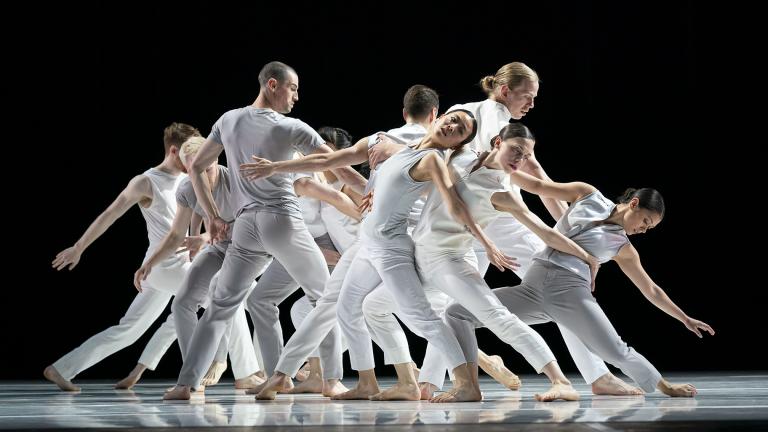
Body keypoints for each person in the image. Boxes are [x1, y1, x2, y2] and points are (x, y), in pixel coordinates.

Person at [368, 62, 636, 395]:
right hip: (485, 224)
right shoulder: (487, 116)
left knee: (468, 306)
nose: (532, 104)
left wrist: (567, 231)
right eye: (528, 96)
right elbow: (436, 150)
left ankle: (432, 381)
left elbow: (532, 175)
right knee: (555, 289)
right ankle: (594, 375)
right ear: (506, 91)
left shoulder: (476, 119)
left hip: (479, 224)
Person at [163, 61, 365, 400]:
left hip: (245, 226)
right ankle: (330, 379)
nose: (296, 97)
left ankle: (187, 384)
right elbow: (339, 166)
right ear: (272, 85)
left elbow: (196, 167)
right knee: (323, 296)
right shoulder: (292, 128)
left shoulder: (228, 120)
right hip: (281, 220)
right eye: (293, 88)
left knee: (220, 306)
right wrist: (372, 192)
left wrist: (212, 216)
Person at [369, 123, 598, 402]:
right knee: (373, 306)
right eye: (516, 150)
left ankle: (559, 380)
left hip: (449, 260)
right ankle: (440, 383)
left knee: (496, 316)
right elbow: (425, 149)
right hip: (419, 256)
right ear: (498, 142)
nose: (519, 159)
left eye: (526, 156)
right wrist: (385, 147)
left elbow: (545, 231)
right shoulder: (461, 156)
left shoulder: (503, 192)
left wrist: (586, 256)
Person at [445, 163, 715, 398]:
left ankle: (663, 384)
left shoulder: (623, 247)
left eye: (649, 228)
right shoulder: (588, 194)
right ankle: (468, 385)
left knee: (615, 350)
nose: (643, 230)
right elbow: (538, 185)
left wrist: (684, 318)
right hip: (532, 287)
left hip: (570, 293)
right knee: (457, 313)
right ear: (633, 203)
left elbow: (651, 290)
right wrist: (498, 168)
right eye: (645, 221)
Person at [45, 122, 200, 392]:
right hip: (163, 266)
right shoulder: (146, 181)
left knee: (129, 330)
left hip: (170, 267)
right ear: (174, 151)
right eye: (190, 153)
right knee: (223, 299)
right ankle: (239, 372)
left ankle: (61, 369)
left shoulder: (189, 178)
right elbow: (110, 214)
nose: (196, 159)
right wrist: (79, 247)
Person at [133, 136, 265, 390]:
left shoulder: (236, 181)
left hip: (251, 246)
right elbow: (175, 235)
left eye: (207, 168)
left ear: (216, 159)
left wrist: (204, 237)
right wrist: (150, 263)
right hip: (220, 246)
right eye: (195, 172)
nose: (202, 176)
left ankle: (244, 370)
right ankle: (193, 373)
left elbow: (248, 225)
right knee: (182, 303)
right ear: (187, 170)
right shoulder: (187, 189)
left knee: (227, 296)